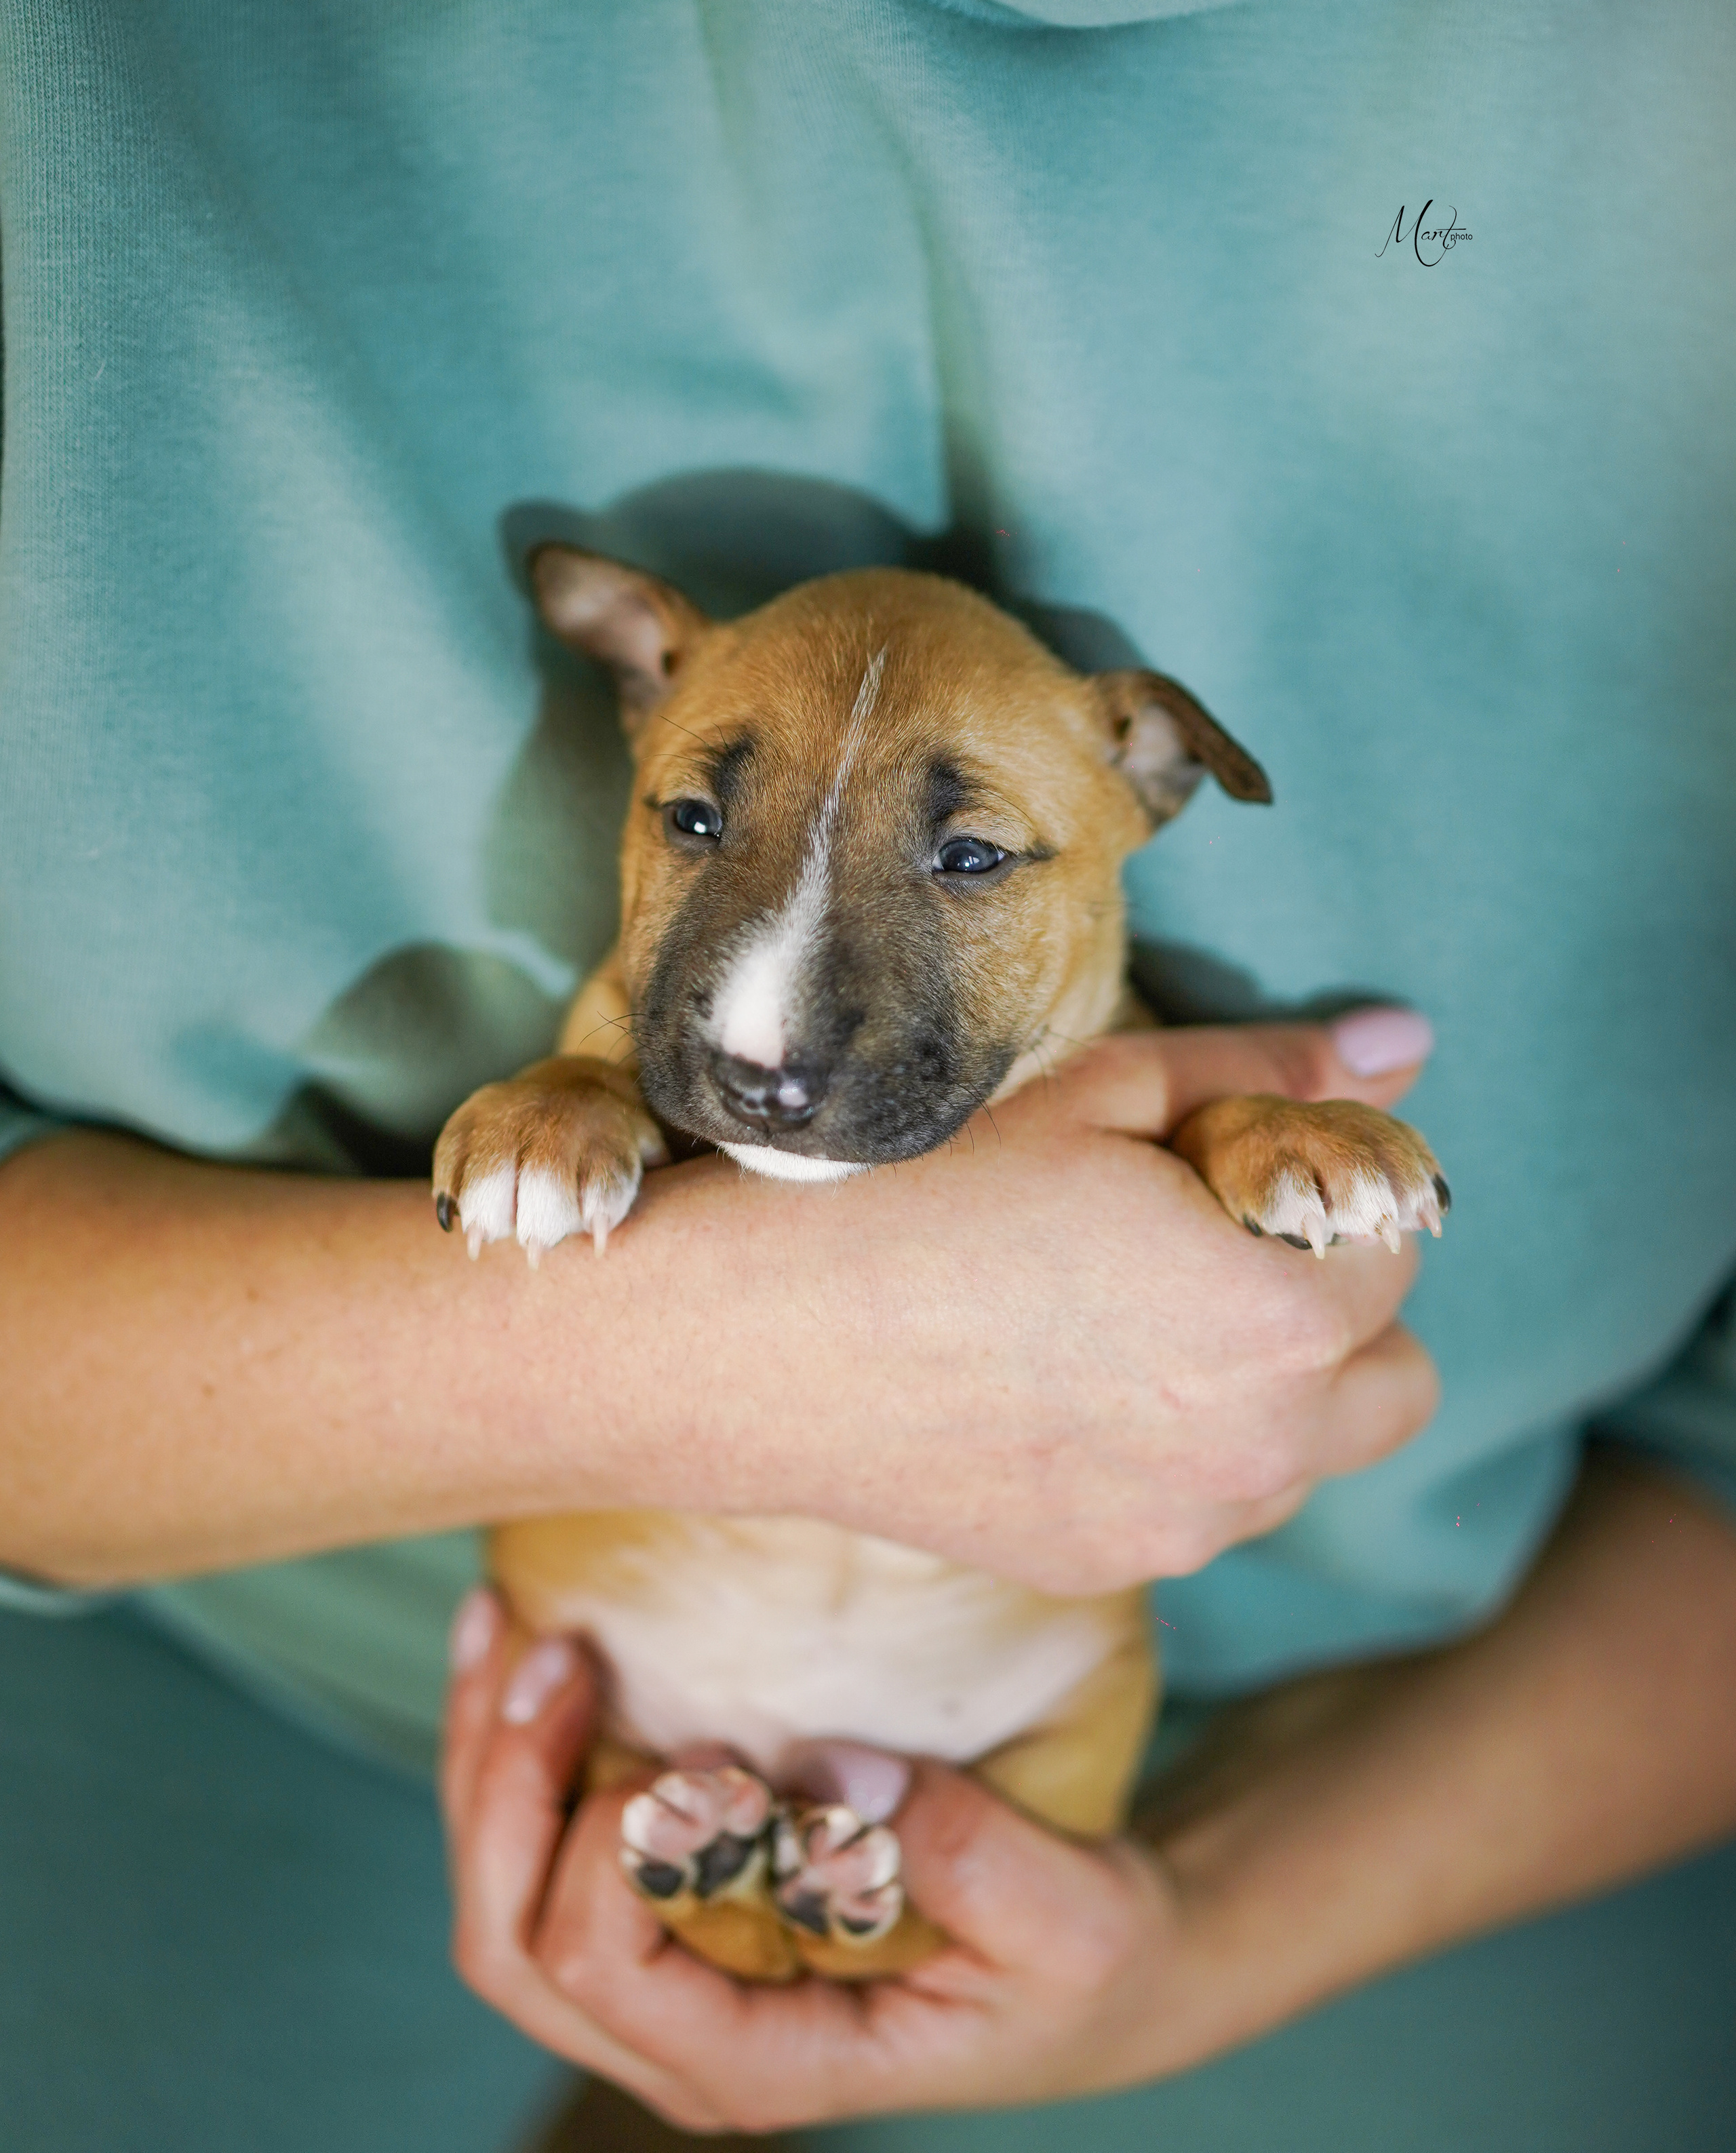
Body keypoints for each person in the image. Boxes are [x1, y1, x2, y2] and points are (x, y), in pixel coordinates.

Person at [2, 4, 1733, 2150]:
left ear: (1152, 780)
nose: (774, 1030)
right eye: (699, 819)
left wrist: (1194, 1935)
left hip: (1278, 1754)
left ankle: (791, 1902)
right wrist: (634, 1269)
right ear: (640, 692)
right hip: (308, 1667)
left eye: (973, 859)